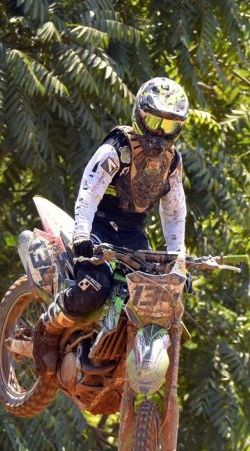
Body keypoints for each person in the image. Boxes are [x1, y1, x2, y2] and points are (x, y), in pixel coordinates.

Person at [33, 77, 189, 374]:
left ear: (179, 127)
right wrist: (81, 234)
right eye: (154, 121)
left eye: (168, 126)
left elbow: (174, 211)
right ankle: (48, 329)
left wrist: (177, 257)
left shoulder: (172, 162)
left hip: (133, 234)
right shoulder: (118, 147)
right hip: (97, 226)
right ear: (140, 116)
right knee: (95, 286)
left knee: (153, 296)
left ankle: (115, 351)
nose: (159, 132)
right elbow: (90, 191)